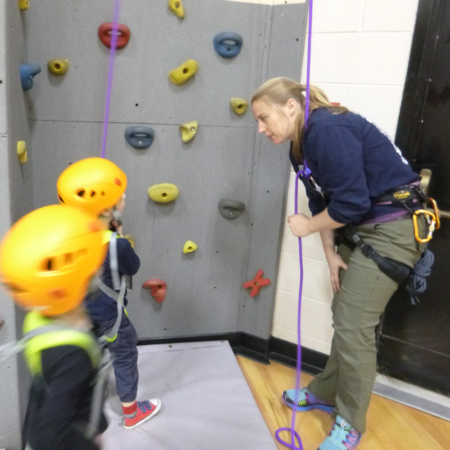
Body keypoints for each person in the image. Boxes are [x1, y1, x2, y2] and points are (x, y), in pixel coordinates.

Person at [251, 77, 427, 450]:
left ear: (291, 107)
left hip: (393, 229)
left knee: (353, 325)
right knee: (344, 316)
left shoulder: (328, 130)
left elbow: (350, 205)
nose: (261, 128)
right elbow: (323, 203)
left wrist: (308, 228)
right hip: (367, 227)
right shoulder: (299, 147)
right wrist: (331, 254)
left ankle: (350, 423)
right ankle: (327, 391)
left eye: (264, 118)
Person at [57, 157, 161, 430]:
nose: (123, 197)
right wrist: (120, 238)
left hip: (81, 314)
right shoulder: (117, 245)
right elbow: (133, 267)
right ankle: (131, 412)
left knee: (91, 354)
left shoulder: (72, 237)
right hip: (111, 317)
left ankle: (89, 397)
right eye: (119, 196)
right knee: (125, 354)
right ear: (105, 207)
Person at [0, 205, 108, 450]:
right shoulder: (73, 354)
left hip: (57, 416)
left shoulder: (41, 316)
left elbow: (47, 389)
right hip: (75, 435)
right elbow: (49, 435)